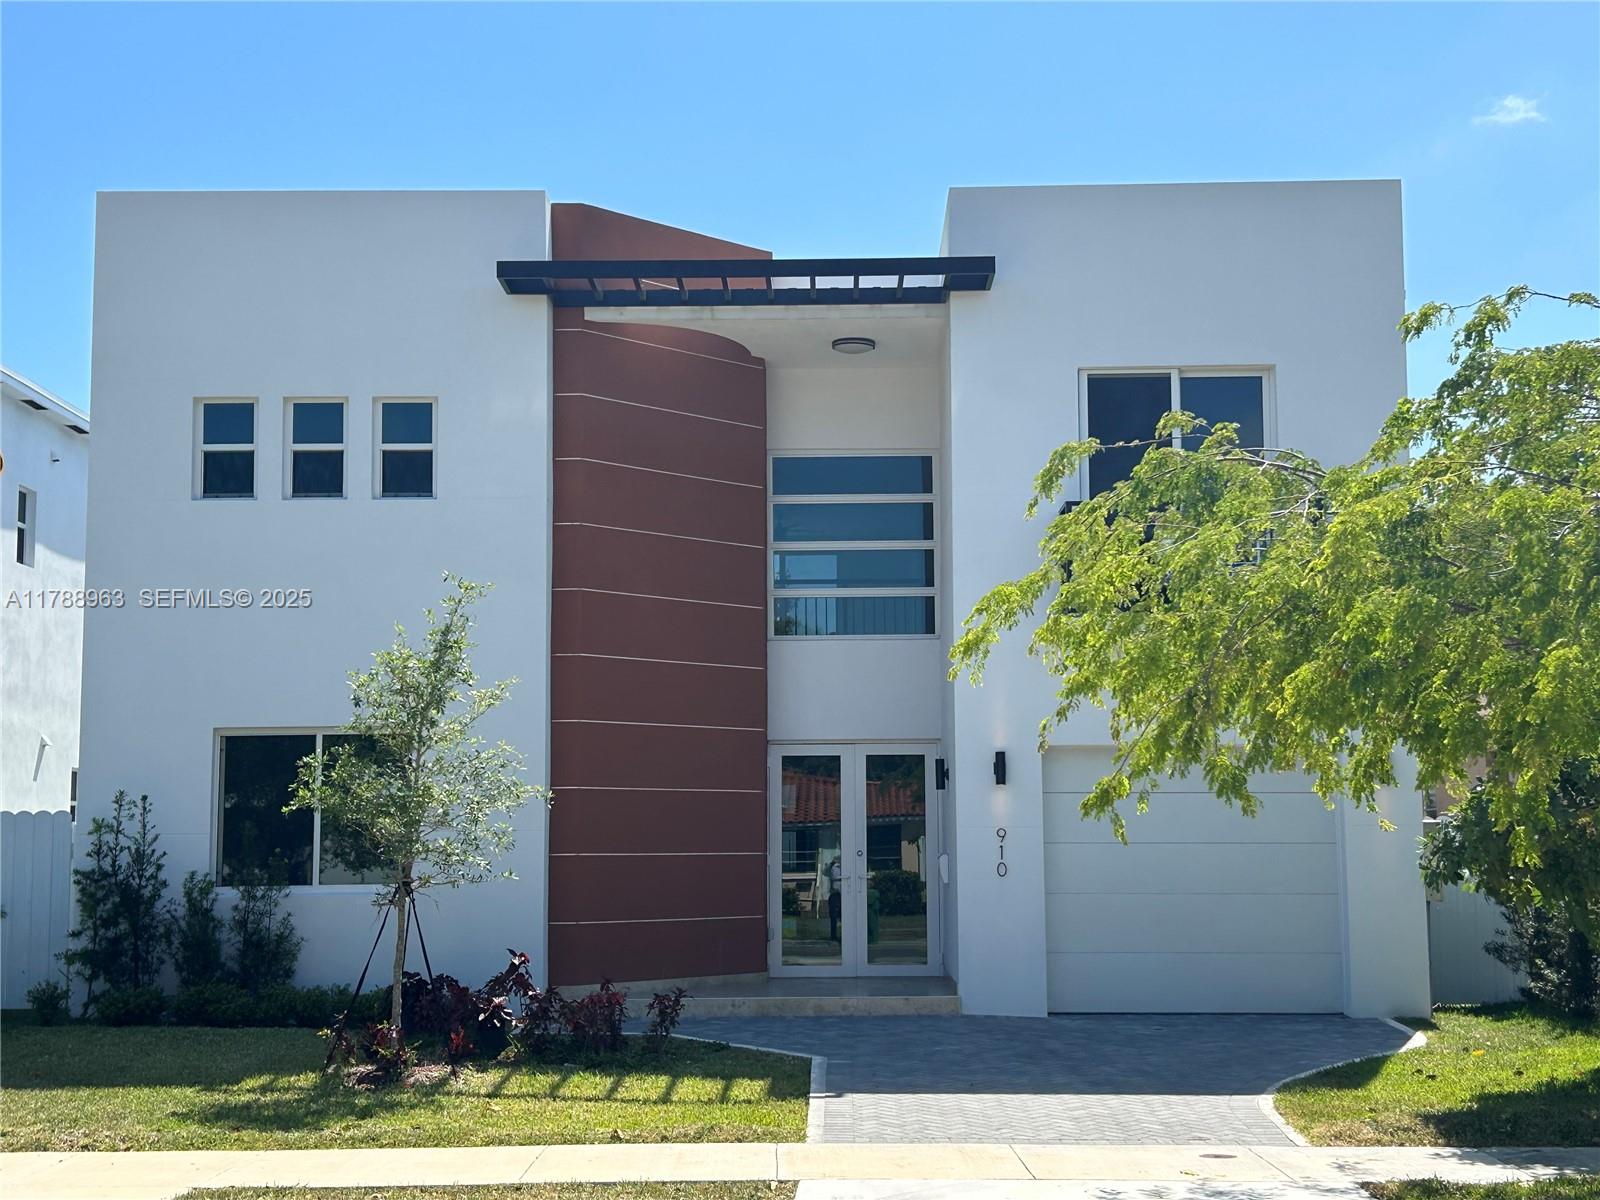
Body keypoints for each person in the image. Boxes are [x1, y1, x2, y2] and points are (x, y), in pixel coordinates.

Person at [827, 855, 843, 943]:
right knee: (834, 916)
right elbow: (834, 877)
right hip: (835, 894)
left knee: (842, 916)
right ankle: (833, 935)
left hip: (843, 894)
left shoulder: (844, 867)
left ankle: (843, 935)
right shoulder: (834, 868)